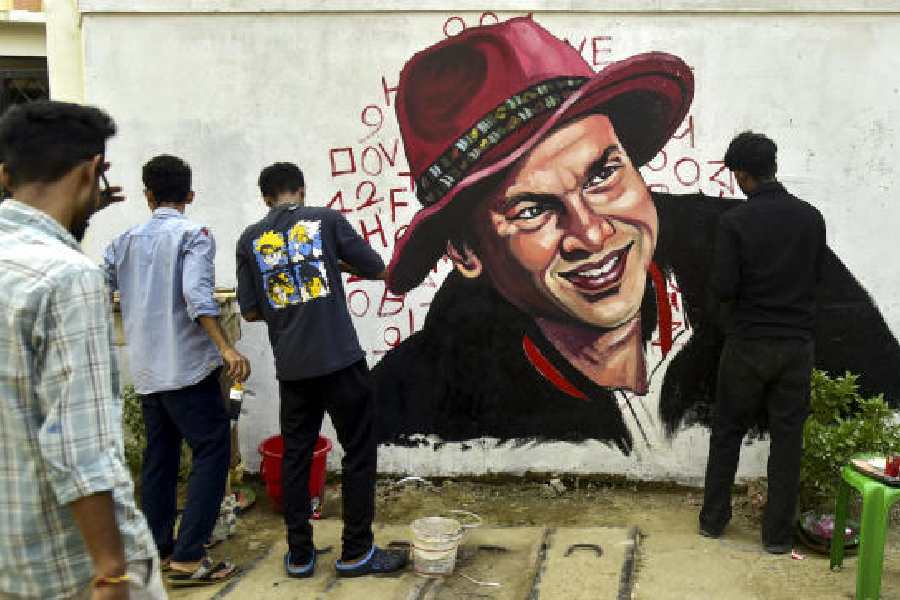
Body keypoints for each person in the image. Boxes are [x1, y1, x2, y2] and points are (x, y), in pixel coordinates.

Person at [372, 16, 900, 451]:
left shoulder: (760, 253)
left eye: (603, 174)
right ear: (466, 251)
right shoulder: (423, 399)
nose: (593, 233)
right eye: (532, 209)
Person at [0, 100, 164, 599]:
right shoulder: (68, 278)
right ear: (95, 169)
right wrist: (111, 571)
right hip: (70, 566)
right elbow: (78, 448)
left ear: (6, 176)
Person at [236, 162, 407, 578]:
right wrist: (337, 267)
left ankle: (299, 556)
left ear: (266, 198)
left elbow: (253, 310)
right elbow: (377, 267)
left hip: (293, 369)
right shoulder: (326, 220)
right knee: (359, 453)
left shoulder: (249, 239)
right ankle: (356, 553)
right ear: (302, 189)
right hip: (340, 361)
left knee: (296, 457)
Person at [103, 154, 250, 585]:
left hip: (148, 369)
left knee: (160, 459)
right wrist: (226, 348)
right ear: (189, 194)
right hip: (186, 369)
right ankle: (188, 558)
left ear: (148, 195)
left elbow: (98, 288)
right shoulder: (194, 235)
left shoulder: (123, 241)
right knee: (212, 450)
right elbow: (197, 297)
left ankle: (158, 547)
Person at [699, 132, 826, 553]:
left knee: (728, 433)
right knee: (788, 442)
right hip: (796, 346)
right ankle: (776, 538)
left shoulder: (735, 223)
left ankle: (714, 521)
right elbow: (817, 280)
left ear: (742, 175)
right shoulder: (811, 218)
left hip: (748, 344)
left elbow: (723, 286)